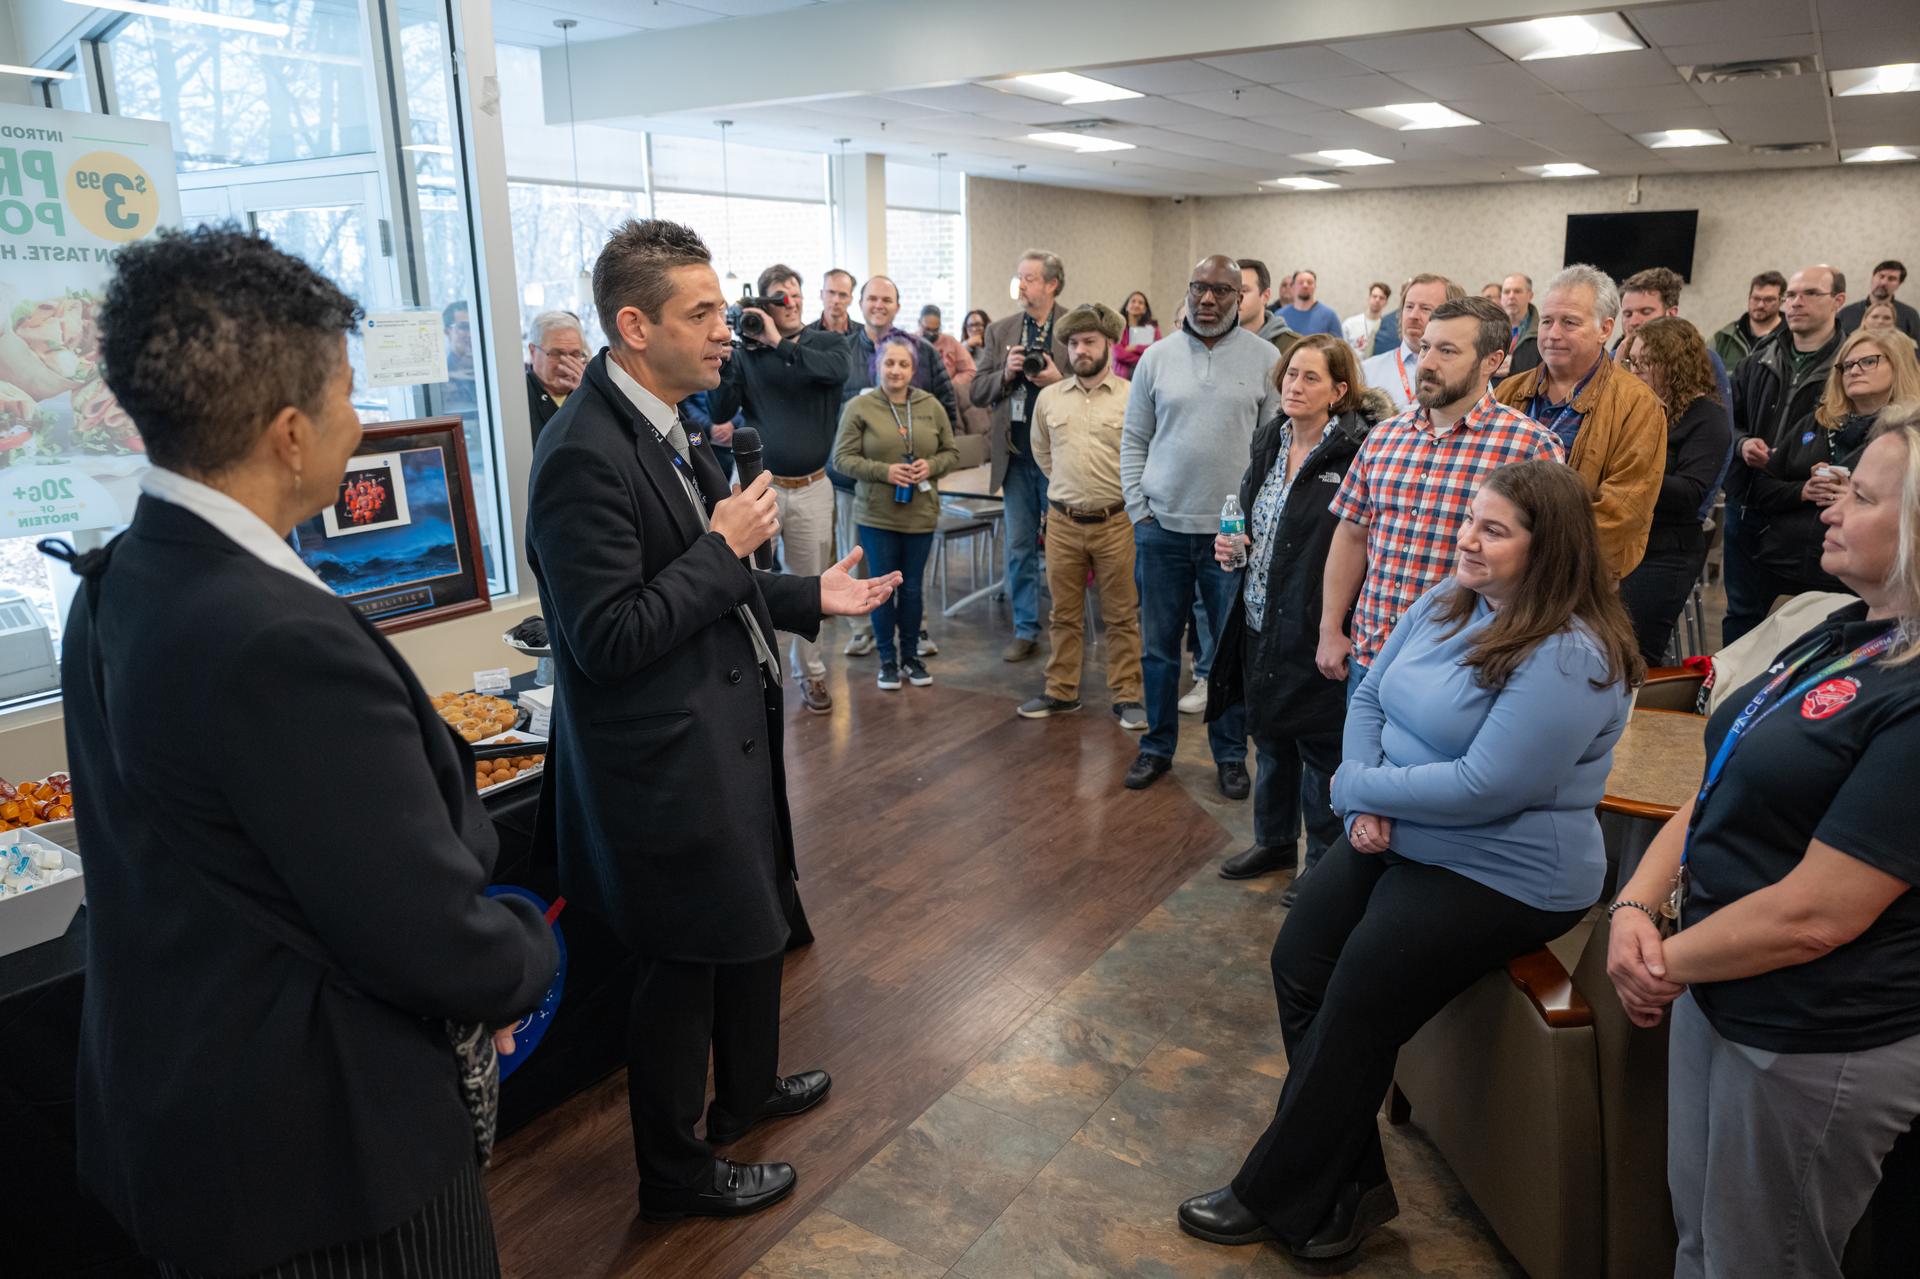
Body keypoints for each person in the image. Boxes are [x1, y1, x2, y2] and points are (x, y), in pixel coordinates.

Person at [60, 226, 558, 1276]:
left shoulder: (122, 575)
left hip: (182, 1107)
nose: (361, 419)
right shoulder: (276, 640)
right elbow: (414, 924)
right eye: (344, 392)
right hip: (320, 1155)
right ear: (290, 433)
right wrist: (523, 965)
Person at [526, 219, 899, 1223]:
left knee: (750, 921)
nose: (725, 331)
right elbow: (610, 634)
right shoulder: (582, 456)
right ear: (633, 324)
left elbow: (716, 583)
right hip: (660, 762)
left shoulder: (672, 420)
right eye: (700, 313)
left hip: (722, 732)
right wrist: (728, 547)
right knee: (682, 969)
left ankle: (747, 1091)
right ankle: (676, 1171)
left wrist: (810, 593)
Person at [1183, 459, 1641, 1261]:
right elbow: (1367, 693)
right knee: (1299, 959)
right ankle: (1350, 1182)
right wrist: (1364, 803)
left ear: (1550, 548)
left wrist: (1364, 788)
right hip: (1397, 826)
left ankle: (1278, 1190)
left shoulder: (1572, 654)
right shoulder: (1447, 598)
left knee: (1359, 982)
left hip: (1504, 868)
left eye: (1493, 529)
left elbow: (1488, 785)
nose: (1467, 537)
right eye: (1472, 517)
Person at [1605, 408, 1920, 1279]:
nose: (1827, 503)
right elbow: (1718, 780)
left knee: (1761, 1261)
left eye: (1858, 495)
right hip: (1718, 981)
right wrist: (1635, 904)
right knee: (1701, 1240)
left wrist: (1663, 960)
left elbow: (1820, 913)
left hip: (1810, 1031)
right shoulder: (1842, 627)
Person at [1323, 296, 1565, 698]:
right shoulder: (1384, 437)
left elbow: (1547, 566)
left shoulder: (1530, 448)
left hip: (1462, 667)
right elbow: (1351, 534)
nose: (1428, 363)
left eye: (1447, 351)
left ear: (1492, 360)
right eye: (1425, 348)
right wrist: (1330, 627)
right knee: (1359, 763)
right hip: (1371, 657)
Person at [1205, 335, 1372, 891]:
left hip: (1316, 623)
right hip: (1258, 615)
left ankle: (1320, 865)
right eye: (1290, 375)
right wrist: (1233, 548)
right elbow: (1255, 523)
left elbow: (1357, 543)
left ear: (1339, 390)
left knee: (1320, 749)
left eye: (1310, 378)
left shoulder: (1355, 452)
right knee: (1270, 739)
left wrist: (1335, 625)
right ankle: (1274, 843)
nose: (1294, 387)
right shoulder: (1269, 441)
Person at [1120, 254, 1276, 797]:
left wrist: (1257, 522)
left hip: (1230, 537)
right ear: (1187, 292)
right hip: (1161, 529)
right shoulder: (1155, 358)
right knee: (1158, 649)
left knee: (1227, 653)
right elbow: (1134, 440)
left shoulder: (1266, 359)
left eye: (1221, 291)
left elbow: (1274, 450)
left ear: (1242, 297)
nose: (1207, 300)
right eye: (1198, 288)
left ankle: (1231, 755)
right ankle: (1156, 747)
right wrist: (1139, 511)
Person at [709, 264, 854, 715]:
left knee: (811, 584)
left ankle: (809, 673)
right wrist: (732, 358)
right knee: (748, 582)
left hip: (812, 486)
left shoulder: (824, 343)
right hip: (757, 490)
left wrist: (776, 341)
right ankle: (752, 670)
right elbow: (719, 407)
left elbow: (836, 373)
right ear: (764, 303)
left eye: (793, 294)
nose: (787, 303)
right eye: (777, 296)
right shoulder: (746, 351)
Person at [1494, 263, 1667, 579]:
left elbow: (1624, 511)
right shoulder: (1509, 391)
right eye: (1547, 321)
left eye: (1570, 322)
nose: (1553, 334)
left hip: (1578, 575)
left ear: (1605, 329)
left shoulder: (1637, 405)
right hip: (1499, 568)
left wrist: (1538, 554)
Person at [1018, 303, 1145, 728]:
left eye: (1090, 341)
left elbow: (1143, 455)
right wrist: (1072, 490)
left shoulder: (1132, 397)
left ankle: (1128, 696)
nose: (1081, 350)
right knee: (1063, 614)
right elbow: (1041, 452)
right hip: (1063, 523)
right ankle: (1061, 691)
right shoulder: (1049, 399)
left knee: (1122, 615)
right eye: (1073, 343)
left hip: (1116, 522)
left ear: (1108, 343)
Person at [1745, 329, 1920, 610]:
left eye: (1868, 361)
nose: (1853, 371)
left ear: (1898, 364)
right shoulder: (1815, 424)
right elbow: (1762, 489)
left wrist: (1858, 497)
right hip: (1783, 567)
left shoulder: (1910, 437)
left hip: (1861, 581)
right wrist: (1802, 490)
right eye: (1847, 365)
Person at [1723, 265, 1848, 643]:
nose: (1795, 302)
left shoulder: (1851, 366)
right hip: (1749, 504)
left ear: (1838, 301)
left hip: (1814, 515)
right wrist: (1743, 442)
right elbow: (1726, 420)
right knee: (1742, 616)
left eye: (1810, 293)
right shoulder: (1757, 359)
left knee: (1824, 624)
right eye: (1791, 295)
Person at [833, 335, 959, 690]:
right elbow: (841, 459)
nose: (896, 370)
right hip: (877, 515)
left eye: (904, 364)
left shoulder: (930, 405)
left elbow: (951, 452)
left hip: (920, 513)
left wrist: (930, 466)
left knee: (914, 589)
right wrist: (883, 471)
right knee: (882, 587)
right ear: (877, 366)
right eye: (889, 363)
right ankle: (887, 661)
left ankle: (911, 658)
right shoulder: (860, 407)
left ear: (914, 369)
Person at [971, 249, 1071, 662]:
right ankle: (1025, 629)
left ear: (1051, 284)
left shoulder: (1073, 327)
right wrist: (1006, 373)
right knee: (1019, 547)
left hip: (1061, 459)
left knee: (1066, 549)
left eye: (1030, 278)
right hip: (1015, 457)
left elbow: (1097, 386)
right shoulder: (1000, 331)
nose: (1022, 285)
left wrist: (1057, 380)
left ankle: (1068, 629)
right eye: (1019, 277)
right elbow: (977, 391)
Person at [1617, 317, 1733, 663]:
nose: (1633, 370)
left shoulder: (1707, 418)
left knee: (1632, 655)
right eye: (1631, 361)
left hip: (1666, 552)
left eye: (1643, 362)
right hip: (1629, 541)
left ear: (1673, 364)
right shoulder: (1643, 407)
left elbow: (1689, 495)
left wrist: (1623, 474)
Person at [1361, 273, 1459, 411]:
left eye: (1425, 308)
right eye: (1409, 307)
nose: (1413, 316)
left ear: (1452, 317)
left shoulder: (1465, 373)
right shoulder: (1367, 372)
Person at [527, 308, 587, 443]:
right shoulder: (520, 396)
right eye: (556, 353)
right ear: (533, 352)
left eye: (575, 354)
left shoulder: (589, 392)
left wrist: (586, 395)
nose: (566, 364)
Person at [1711, 269, 1786, 373]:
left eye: (1768, 300)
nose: (1760, 305)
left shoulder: (1791, 338)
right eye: (1756, 298)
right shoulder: (1723, 337)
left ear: (1781, 301)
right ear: (1749, 297)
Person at [1837, 258, 1920, 342]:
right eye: (1881, 276)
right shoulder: (1845, 314)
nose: (1883, 282)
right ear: (1873, 277)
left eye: (1891, 279)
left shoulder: (1910, 315)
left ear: (1899, 284)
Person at [1238, 257, 1301, 356]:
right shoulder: (1216, 343)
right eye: (1229, 290)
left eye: (1244, 290)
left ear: (1265, 296)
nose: (1236, 298)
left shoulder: (1293, 348)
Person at [919, 303, 978, 406]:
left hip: (945, 399)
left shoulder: (950, 342)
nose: (931, 334)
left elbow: (971, 371)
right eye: (927, 329)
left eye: (935, 330)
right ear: (919, 323)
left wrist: (949, 385)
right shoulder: (910, 342)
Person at [1274, 268, 1342, 337]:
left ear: (1315, 287)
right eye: (1300, 282)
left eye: (1309, 282)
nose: (1305, 285)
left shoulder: (1330, 316)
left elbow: (1339, 347)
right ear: (1293, 287)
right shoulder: (1279, 316)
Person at [1498, 272, 1541, 378]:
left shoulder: (1542, 332)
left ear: (1530, 296)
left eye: (1517, 291)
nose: (1511, 296)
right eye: (1506, 292)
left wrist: (1512, 371)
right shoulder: (1486, 329)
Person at [1114, 290, 1160, 379]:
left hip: (1146, 374)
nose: (1136, 305)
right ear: (1127, 306)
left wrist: (1135, 348)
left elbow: (1156, 351)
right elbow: (1118, 354)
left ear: (1145, 309)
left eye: (1140, 303)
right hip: (1123, 376)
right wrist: (1143, 357)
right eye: (1133, 301)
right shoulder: (1118, 327)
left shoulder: (1153, 328)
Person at [1342, 282, 1390, 360]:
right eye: (1374, 296)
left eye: (1381, 298)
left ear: (1386, 302)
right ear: (1368, 298)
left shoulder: (1386, 327)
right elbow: (1341, 352)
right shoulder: (1349, 324)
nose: (1377, 300)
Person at [811, 267, 856, 336]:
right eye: (831, 292)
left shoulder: (863, 336)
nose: (836, 300)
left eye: (843, 295)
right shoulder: (806, 335)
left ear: (850, 299)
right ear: (821, 294)